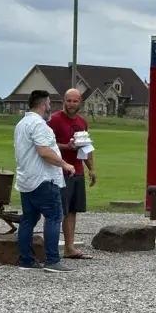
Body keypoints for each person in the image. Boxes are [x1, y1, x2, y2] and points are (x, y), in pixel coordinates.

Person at [14, 90, 76, 272]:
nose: (50, 107)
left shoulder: (21, 124)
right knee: (55, 217)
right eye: (49, 104)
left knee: (28, 219)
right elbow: (44, 151)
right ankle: (52, 260)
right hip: (43, 179)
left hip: (26, 179)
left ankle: (26, 260)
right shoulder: (40, 125)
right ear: (43, 104)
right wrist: (65, 164)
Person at [48, 88, 96, 259]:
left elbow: (87, 148)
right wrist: (66, 147)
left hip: (77, 170)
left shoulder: (82, 122)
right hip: (60, 170)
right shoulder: (53, 120)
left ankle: (70, 247)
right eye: (69, 100)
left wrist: (92, 168)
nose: (71, 104)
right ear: (64, 101)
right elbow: (46, 145)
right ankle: (53, 249)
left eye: (75, 101)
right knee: (60, 210)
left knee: (73, 210)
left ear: (80, 102)